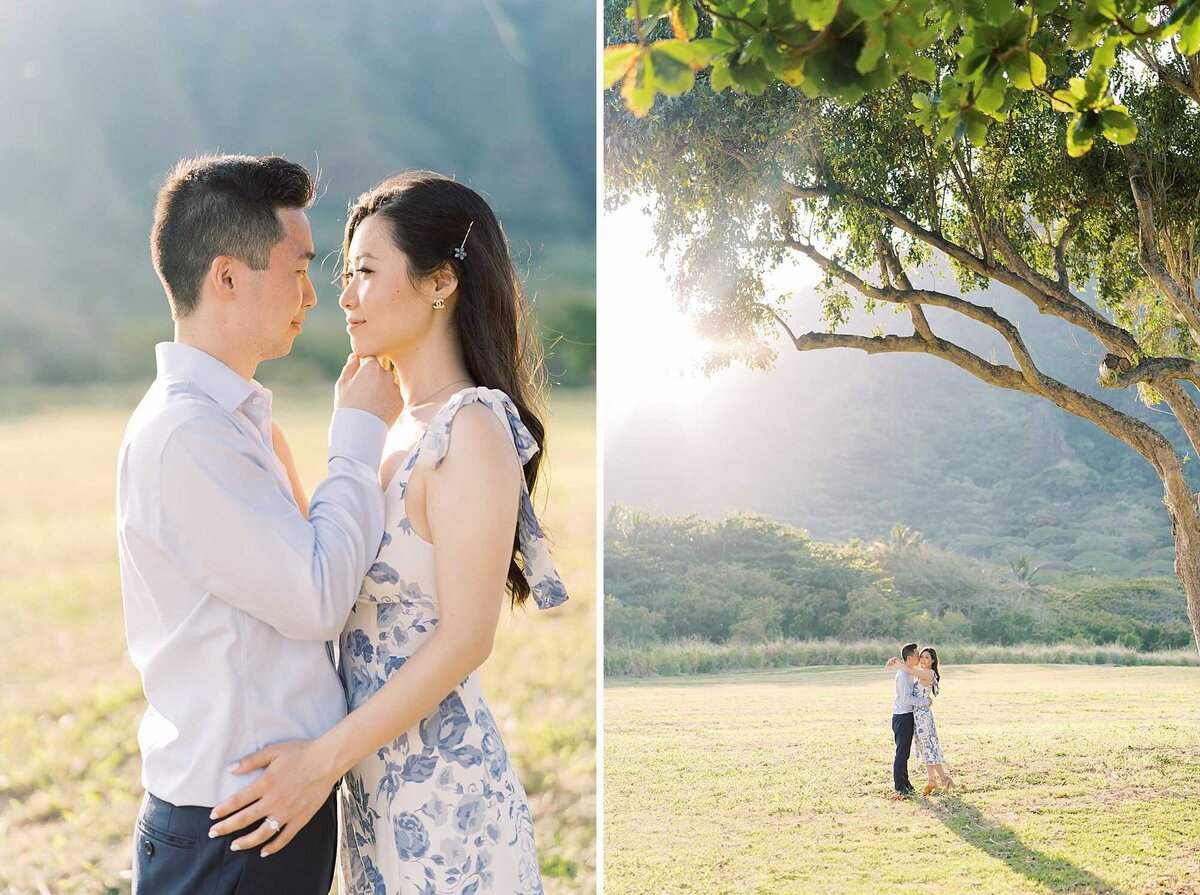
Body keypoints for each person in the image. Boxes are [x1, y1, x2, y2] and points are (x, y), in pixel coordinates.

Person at [207, 171, 568, 893]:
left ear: (440, 283)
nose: (342, 296)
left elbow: (468, 637)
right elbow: (333, 577)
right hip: (376, 795)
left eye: (366, 273)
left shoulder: (470, 427)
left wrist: (319, 761)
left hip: (446, 803)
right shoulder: (394, 422)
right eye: (344, 273)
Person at [117, 154, 403, 894]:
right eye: (298, 268)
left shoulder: (229, 417)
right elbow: (316, 595)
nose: (314, 294)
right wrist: (358, 433)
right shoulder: (190, 434)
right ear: (228, 277)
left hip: (269, 810)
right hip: (232, 829)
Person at [896, 647, 954, 796]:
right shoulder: (921, 673)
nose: (922, 660)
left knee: (930, 749)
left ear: (933, 661)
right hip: (918, 716)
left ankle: (944, 779)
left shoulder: (928, 673)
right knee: (924, 748)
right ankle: (931, 781)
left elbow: (910, 670)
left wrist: (896, 662)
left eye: (926, 658)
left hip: (924, 717)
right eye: (921, 657)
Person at [886, 642, 930, 800]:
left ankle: (906, 783)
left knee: (905, 753)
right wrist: (925, 702)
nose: (919, 657)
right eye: (917, 655)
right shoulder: (904, 675)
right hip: (902, 716)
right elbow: (906, 698)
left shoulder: (909, 671)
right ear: (910, 658)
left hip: (906, 715)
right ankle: (900, 786)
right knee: (901, 753)